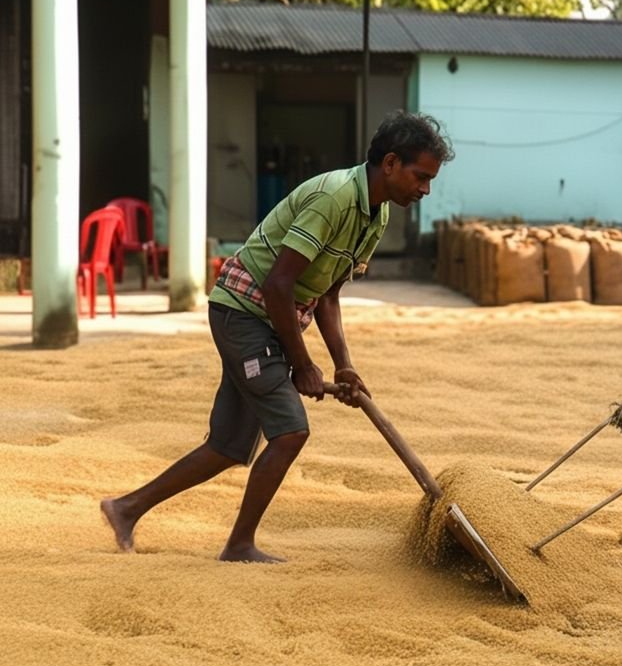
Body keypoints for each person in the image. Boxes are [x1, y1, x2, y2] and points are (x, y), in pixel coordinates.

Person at [101, 111, 454, 563]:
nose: (425, 190)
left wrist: (343, 363)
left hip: (272, 320)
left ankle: (125, 508)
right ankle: (239, 545)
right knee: (289, 432)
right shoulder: (335, 197)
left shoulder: (377, 214)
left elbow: (327, 294)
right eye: (420, 177)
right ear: (389, 163)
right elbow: (277, 285)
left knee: (227, 447)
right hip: (244, 313)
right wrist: (302, 364)